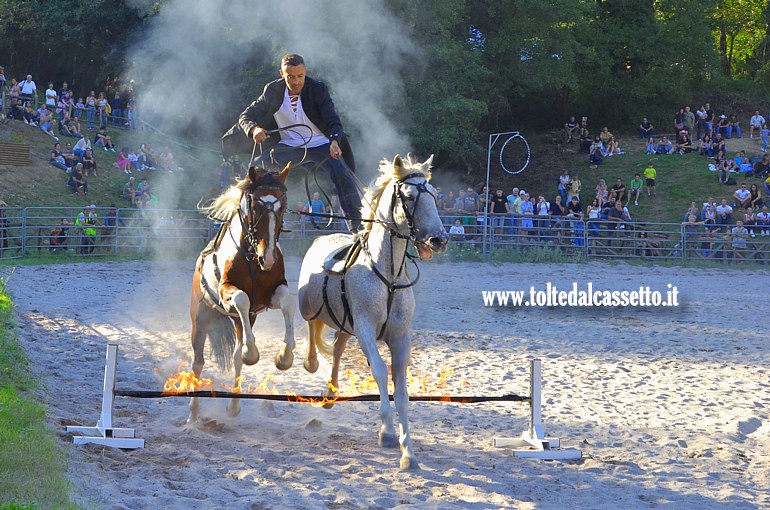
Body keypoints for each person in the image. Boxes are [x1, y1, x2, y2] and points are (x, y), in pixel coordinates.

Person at [225, 53, 362, 230]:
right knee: (257, 169)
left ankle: (357, 227)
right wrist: (254, 129)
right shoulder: (273, 90)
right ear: (282, 74)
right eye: (291, 77)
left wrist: (334, 141)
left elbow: (333, 120)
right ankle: (242, 219)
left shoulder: (318, 89)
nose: (296, 81)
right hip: (290, 146)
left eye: (300, 76)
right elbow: (246, 116)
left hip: (320, 144)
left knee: (342, 173)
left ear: (305, 72)